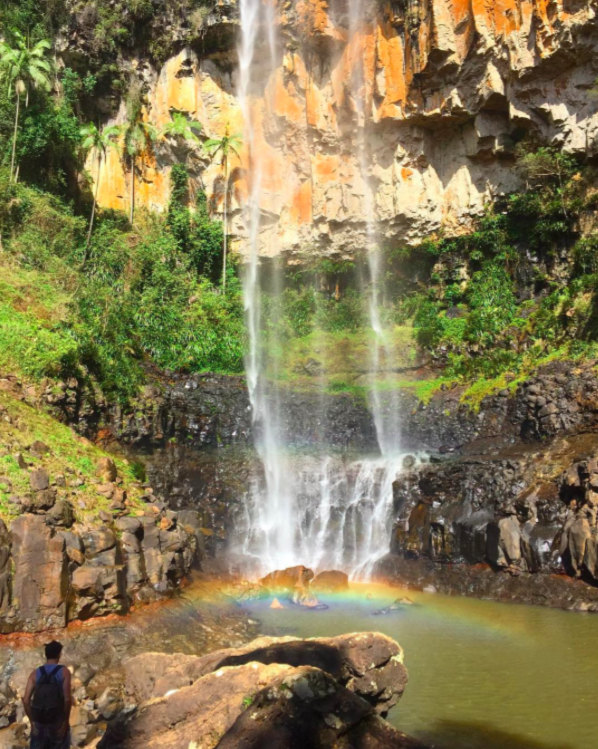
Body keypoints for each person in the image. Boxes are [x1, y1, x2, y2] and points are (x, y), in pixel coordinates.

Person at [23, 641, 72, 749]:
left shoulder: (35, 673)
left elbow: (26, 700)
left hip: (39, 722)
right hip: (57, 722)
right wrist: (65, 721)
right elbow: (67, 700)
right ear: (59, 654)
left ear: (46, 655)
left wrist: (32, 721)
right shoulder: (64, 672)